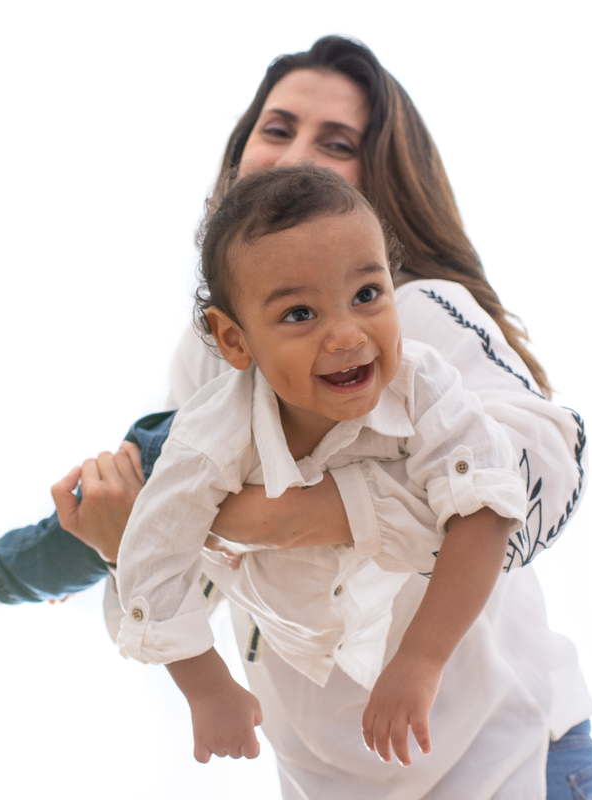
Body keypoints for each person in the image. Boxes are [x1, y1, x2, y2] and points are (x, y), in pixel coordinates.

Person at [0, 36, 592, 799]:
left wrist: (321, 513)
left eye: (337, 142)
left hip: (505, 757)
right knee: (120, 494)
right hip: (329, 776)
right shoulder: (210, 371)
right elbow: (185, 566)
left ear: (377, 187)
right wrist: (129, 543)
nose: (297, 153)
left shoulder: (416, 320)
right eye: (277, 128)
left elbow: (540, 467)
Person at [115, 164, 528, 767]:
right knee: (79, 518)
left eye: (367, 295)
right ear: (235, 341)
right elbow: (152, 559)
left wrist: (420, 659)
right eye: (300, 314)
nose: (345, 335)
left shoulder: (424, 383)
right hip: (155, 457)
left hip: (488, 740)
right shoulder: (210, 439)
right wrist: (207, 687)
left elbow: (486, 508)